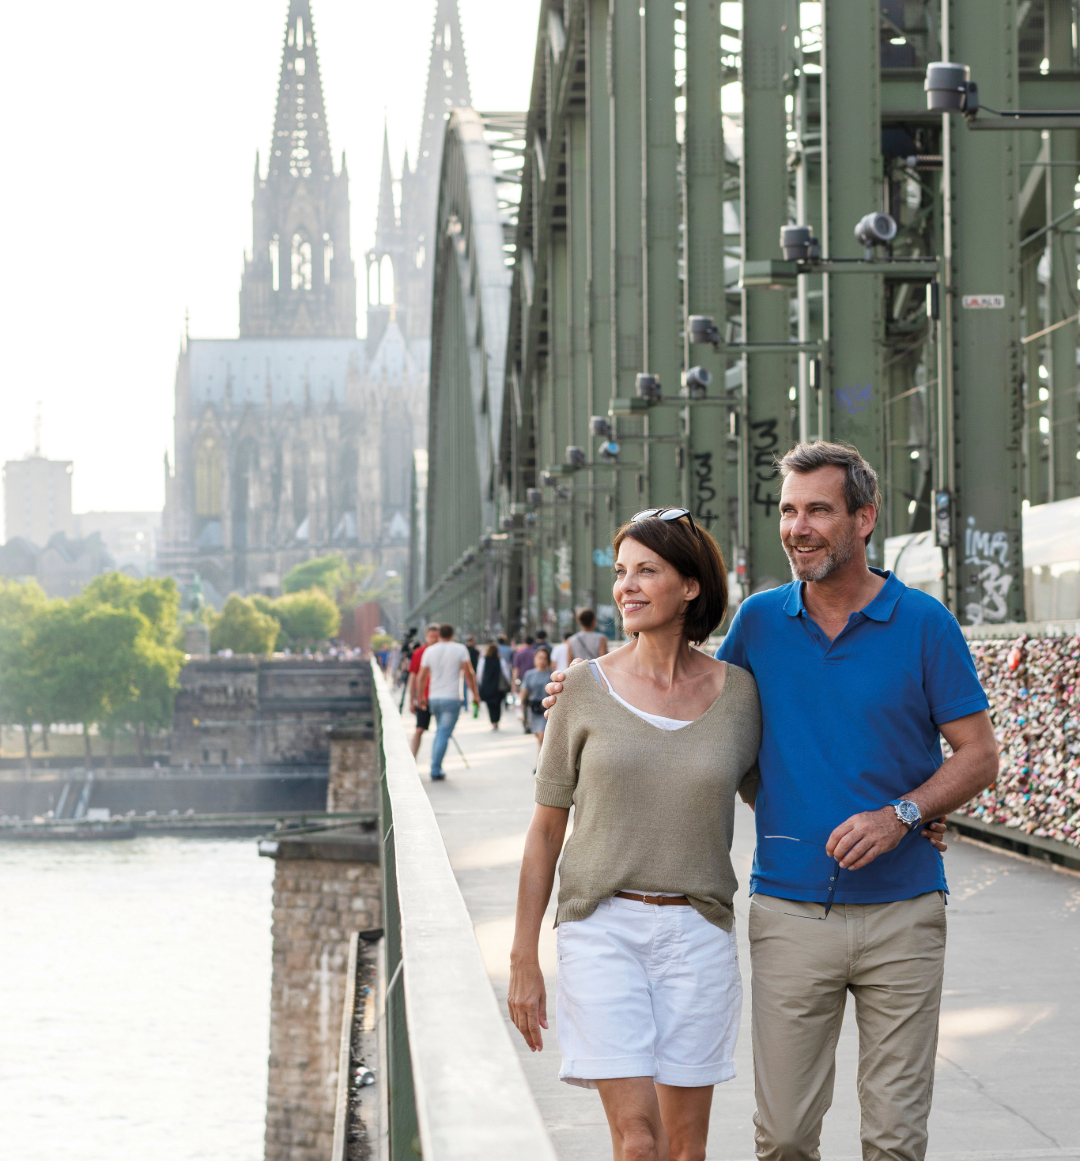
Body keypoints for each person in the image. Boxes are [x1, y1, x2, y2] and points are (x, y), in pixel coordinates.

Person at [544, 449, 993, 1161]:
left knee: (895, 1138)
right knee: (782, 1138)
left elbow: (979, 753)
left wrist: (904, 812)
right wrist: (581, 685)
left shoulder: (925, 624)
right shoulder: (759, 624)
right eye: (787, 509)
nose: (797, 526)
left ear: (864, 519)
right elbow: (697, 717)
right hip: (788, 911)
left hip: (905, 912)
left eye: (817, 509)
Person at [509, 509, 762, 1161]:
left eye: (648, 570)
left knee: (686, 1149)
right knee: (639, 1142)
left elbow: (791, 791)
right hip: (602, 928)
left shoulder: (739, 695)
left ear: (691, 586)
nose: (627, 585)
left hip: (698, 932)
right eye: (621, 571)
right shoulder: (583, 690)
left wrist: (912, 812)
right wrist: (523, 958)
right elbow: (544, 829)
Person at [417, 623, 479, 781]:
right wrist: (475, 695)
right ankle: (435, 769)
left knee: (440, 732)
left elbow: (421, 676)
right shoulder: (460, 649)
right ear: (452, 635)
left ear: (439, 635)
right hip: (451, 698)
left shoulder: (430, 651)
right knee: (443, 733)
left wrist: (420, 696)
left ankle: (437, 766)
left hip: (434, 698)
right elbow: (469, 673)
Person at [407, 624, 440, 758]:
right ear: (426, 637)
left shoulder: (441, 651)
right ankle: (412, 758)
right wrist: (411, 700)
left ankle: (436, 763)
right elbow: (413, 676)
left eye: (437, 636)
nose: (434, 639)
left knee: (441, 731)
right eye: (431, 636)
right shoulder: (419, 653)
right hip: (423, 698)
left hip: (438, 695)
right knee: (419, 729)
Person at [520, 645, 554, 753]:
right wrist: (521, 706)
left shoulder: (551, 674)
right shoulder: (529, 674)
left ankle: (539, 765)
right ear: (535, 659)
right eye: (540, 658)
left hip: (547, 709)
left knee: (542, 736)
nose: (542, 661)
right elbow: (525, 690)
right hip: (533, 709)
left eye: (545, 658)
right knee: (539, 737)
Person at [477, 642, 511, 729]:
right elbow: (505, 672)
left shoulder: (483, 660)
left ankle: (493, 721)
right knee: (498, 704)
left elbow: (479, 673)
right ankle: (496, 720)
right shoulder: (500, 660)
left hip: (487, 685)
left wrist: (480, 684)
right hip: (498, 687)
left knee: (490, 705)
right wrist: (509, 682)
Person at [512, 635, 538, 734]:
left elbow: (516, 670)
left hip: (522, 681)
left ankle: (525, 724)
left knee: (523, 703)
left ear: (524, 642)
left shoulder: (519, 654)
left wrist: (514, 683)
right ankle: (532, 724)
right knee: (533, 703)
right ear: (533, 643)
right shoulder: (535, 654)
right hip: (534, 681)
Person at [464, 634, 481, 714]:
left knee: (465, 691)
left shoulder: (465, 649)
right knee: (474, 690)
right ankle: (475, 706)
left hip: (465, 672)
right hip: (474, 672)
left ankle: (466, 706)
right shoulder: (474, 650)